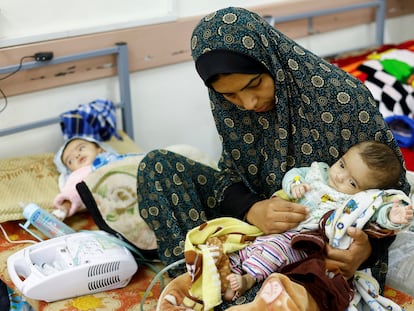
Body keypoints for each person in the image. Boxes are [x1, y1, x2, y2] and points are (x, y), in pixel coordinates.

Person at [136, 6, 410, 311]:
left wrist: (365, 249)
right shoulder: (231, 109)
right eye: (230, 95)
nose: (248, 103)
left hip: (314, 246)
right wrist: (253, 209)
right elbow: (231, 175)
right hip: (256, 231)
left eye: (254, 85)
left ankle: (242, 294)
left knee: (313, 278)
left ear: (272, 60)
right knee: (157, 166)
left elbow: (392, 189)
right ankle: (201, 278)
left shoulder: (342, 97)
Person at [224, 140, 413, 302]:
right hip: (276, 227)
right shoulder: (319, 172)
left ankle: (249, 278)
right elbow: (295, 173)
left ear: (365, 192)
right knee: (241, 244)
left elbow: (376, 211)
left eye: (352, 182)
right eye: (341, 165)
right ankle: (226, 271)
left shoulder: (353, 202)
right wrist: (294, 185)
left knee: (275, 251)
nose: (339, 176)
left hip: (301, 242)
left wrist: (392, 216)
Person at [52, 136, 131, 219]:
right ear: (71, 171)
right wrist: (63, 209)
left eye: (81, 148)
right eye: (70, 160)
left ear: (100, 149)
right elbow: (72, 193)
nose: (77, 155)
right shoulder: (80, 173)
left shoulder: (115, 158)